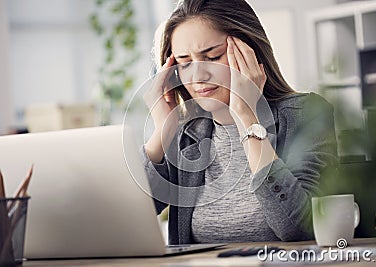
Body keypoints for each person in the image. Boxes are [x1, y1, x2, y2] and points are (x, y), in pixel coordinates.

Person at [141, 0, 337, 245]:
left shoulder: (305, 113)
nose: (198, 76)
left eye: (212, 57)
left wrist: (248, 116)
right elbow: (125, 219)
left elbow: (300, 229)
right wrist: (162, 129)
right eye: (185, 63)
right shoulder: (187, 133)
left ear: (250, 53)